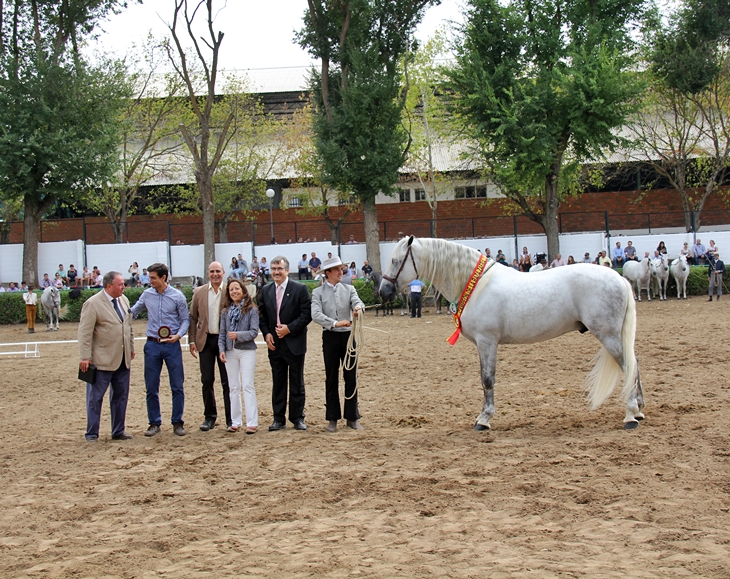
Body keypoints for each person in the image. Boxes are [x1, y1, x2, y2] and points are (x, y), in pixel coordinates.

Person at [130, 263, 190, 437]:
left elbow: (185, 319)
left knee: (177, 385)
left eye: (153, 278)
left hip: (172, 344)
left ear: (163, 277)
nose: (150, 281)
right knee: (151, 385)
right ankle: (154, 422)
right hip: (152, 344)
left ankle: (177, 422)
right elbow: (133, 312)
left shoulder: (177, 297)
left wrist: (178, 335)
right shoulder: (147, 295)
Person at [78, 271, 135, 441]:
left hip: (122, 359)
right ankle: (92, 433)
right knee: (95, 399)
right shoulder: (92, 304)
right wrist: (84, 357)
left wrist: (131, 347)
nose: (123, 287)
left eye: (123, 284)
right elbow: (85, 333)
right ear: (109, 286)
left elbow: (128, 326)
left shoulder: (124, 300)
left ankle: (118, 431)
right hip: (101, 360)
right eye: (120, 284)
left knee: (120, 397)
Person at [258, 255, 312, 431]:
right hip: (275, 344)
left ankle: (297, 418)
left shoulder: (300, 289)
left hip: (294, 342)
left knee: (297, 382)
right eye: (273, 269)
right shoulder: (265, 291)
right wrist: (266, 334)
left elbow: (306, 315)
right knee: (278, 382)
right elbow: (262, 316)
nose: (276, 272)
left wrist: (289, 328)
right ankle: (278, 419)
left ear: (287, 270)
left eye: (279, 269)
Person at [311, 256, 365, 432]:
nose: (341, 272)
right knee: (331, 377)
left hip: (349, 338)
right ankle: (332, 418)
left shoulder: (349, 289)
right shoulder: (317, 293)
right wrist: (335, 323)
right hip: (330, 337)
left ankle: (352, 417)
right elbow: (315, 314)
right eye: (337, 270)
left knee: (351, 376)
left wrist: (358, 309)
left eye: (341, 269)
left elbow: (358, 303)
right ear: (328, 273)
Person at [189, 262, 231, 432]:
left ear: (223, 272)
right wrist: (191, 340)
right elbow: (193, 317)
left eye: (218, 271)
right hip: (205, 341)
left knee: (227, 382)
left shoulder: (230, 290)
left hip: (225, 342)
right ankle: (209, 417)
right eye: (212, 271)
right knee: (207, 380)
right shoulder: (199, 292)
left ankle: (231, 418)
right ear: (208, 273)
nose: (215, 274)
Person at [218, 278, 260, 433]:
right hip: (230, 351)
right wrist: (221, 349)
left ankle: (252, 422)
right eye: (231, 290)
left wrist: (238, 335)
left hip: (247, 350)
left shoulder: (252, 310)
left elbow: (254, 332)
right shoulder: (225, 311)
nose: (234, 292)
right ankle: (235, 421)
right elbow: (222, 333)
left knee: (247, 385)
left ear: (243, 291)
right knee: (233, 386)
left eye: (237, 289)